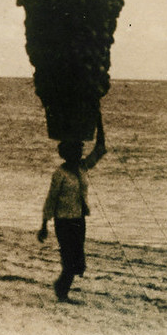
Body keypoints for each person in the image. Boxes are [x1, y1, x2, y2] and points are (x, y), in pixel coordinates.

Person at [37, 114, 106, 303]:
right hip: (64, 222)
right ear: (68, 154)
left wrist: (99, 122)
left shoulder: (82, 168)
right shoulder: (60, 174)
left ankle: (61, 287)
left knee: (78, 261)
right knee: (70, 260)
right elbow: (51, 200)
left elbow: (101, 149)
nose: (79, 154)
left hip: (79, 220)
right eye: (76, 151)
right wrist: (44, 225)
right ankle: (62, 292)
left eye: (79, 151)